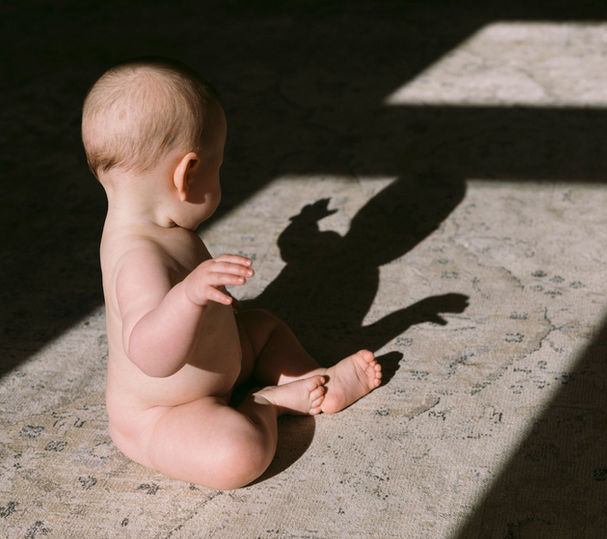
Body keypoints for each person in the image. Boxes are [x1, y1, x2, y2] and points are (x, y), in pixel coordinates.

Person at [81, 57, 382, 490]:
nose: (221, 174)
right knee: (237, 455)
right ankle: (268, 404)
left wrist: (301, 230)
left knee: (262, 327)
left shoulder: (163, 224)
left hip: (222, 359)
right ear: (186, 176)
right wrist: (189, 297)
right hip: (170, 412)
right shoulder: (137, 258)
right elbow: (151, 354)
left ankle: (315, 378)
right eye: (217, 165)